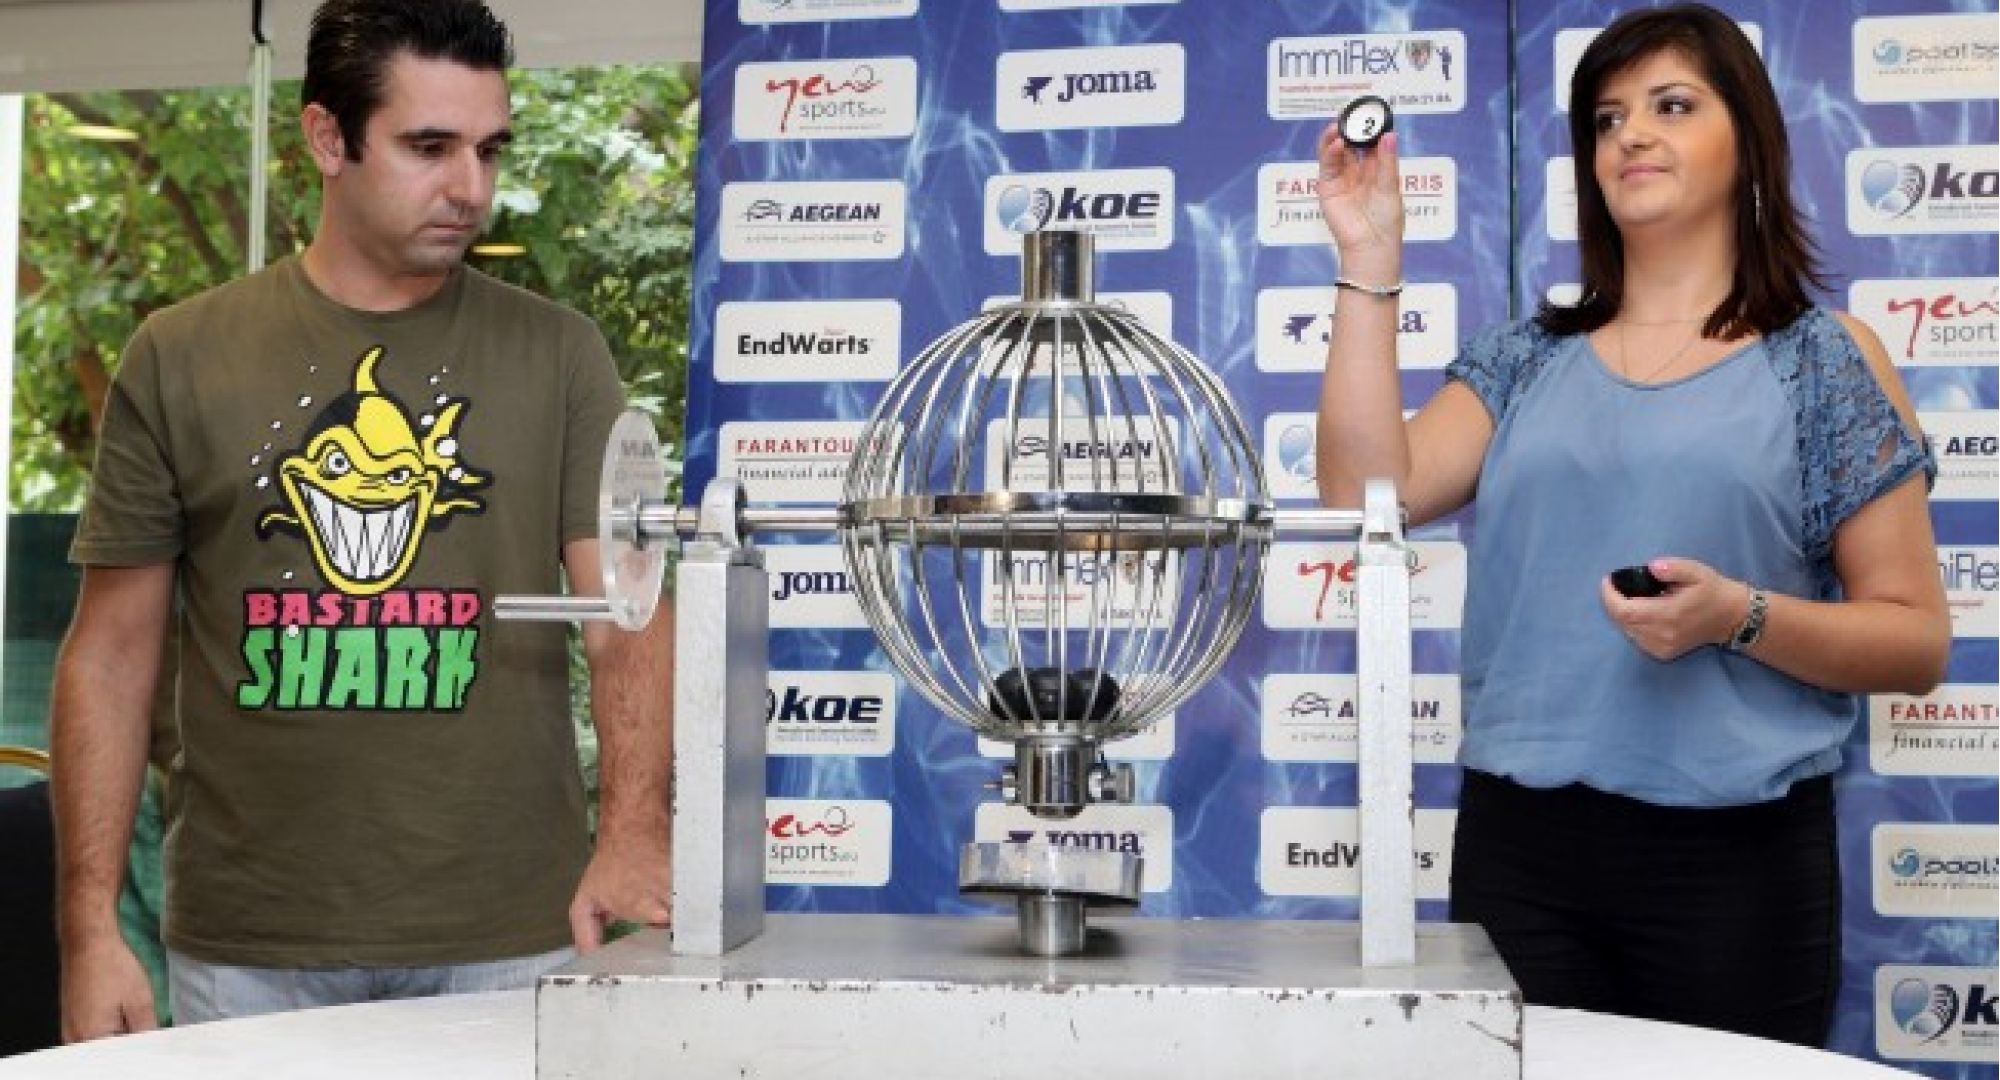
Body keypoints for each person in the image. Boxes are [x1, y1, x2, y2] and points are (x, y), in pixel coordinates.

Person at [1313, 3, 1947, 1047]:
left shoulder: (1822, 358)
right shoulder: (1526, 357)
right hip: (1519, 850)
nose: (1631, 136)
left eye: (1671, 106)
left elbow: (1914, 642)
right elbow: (1361, 495)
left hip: (1734, 866)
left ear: (1748, 139)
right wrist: (1368, 258)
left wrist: (1735, 617)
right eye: (1606, 119)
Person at [51, 0, 673, 1039]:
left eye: (488, 148)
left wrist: (634, 833)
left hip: (507, 932)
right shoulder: (179, 355)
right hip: (249, 948)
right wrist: (88, 931)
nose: (470, 187)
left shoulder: (560, 356)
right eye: (429, 147)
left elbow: (630, 618)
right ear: (327, 138)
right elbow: (110, 655)